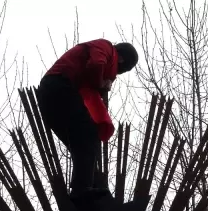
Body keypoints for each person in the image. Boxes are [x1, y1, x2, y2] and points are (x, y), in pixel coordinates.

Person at [37, 39, 138, 199]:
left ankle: (88, 184)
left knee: (80, 143)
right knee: (88, 134)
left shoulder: (96, 59)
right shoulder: (106, 47)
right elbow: (96, 64)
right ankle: (81, 189)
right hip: (59, 86)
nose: (114, 75)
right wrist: (101, 84)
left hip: (49, 94)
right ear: (121, 59)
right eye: (118, 71)